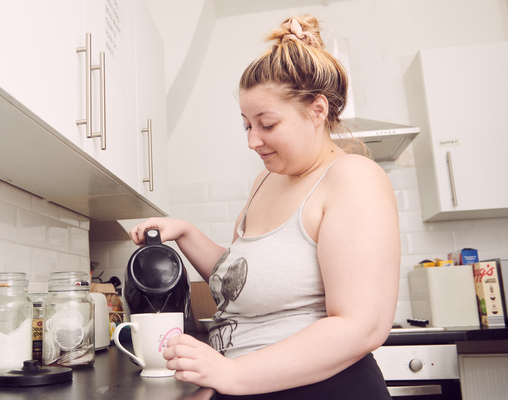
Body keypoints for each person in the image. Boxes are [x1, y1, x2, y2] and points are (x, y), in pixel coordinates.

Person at [129, 14, 399, 399]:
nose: (253, 141)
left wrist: (232, 375)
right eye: (246, 125)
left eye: (267, 124)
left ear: (318, 110)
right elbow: (246, 281)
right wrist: (186, 233)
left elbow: (363, 325)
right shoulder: (266, 182)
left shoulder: (353, 178)